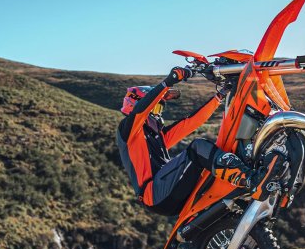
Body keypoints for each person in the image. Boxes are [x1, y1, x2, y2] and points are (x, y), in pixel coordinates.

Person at [116, 66, 282, 216]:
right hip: (154, 194)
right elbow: (140, 112)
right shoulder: (128, 131)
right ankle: (251, 180)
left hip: (168, 192)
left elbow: (191, 122)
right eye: (157, 107)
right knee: (197, 148)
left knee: (210, 160)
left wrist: (220, 96)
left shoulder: (158, 136)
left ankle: (246, 190)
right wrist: (168, 82)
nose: (159, 114)